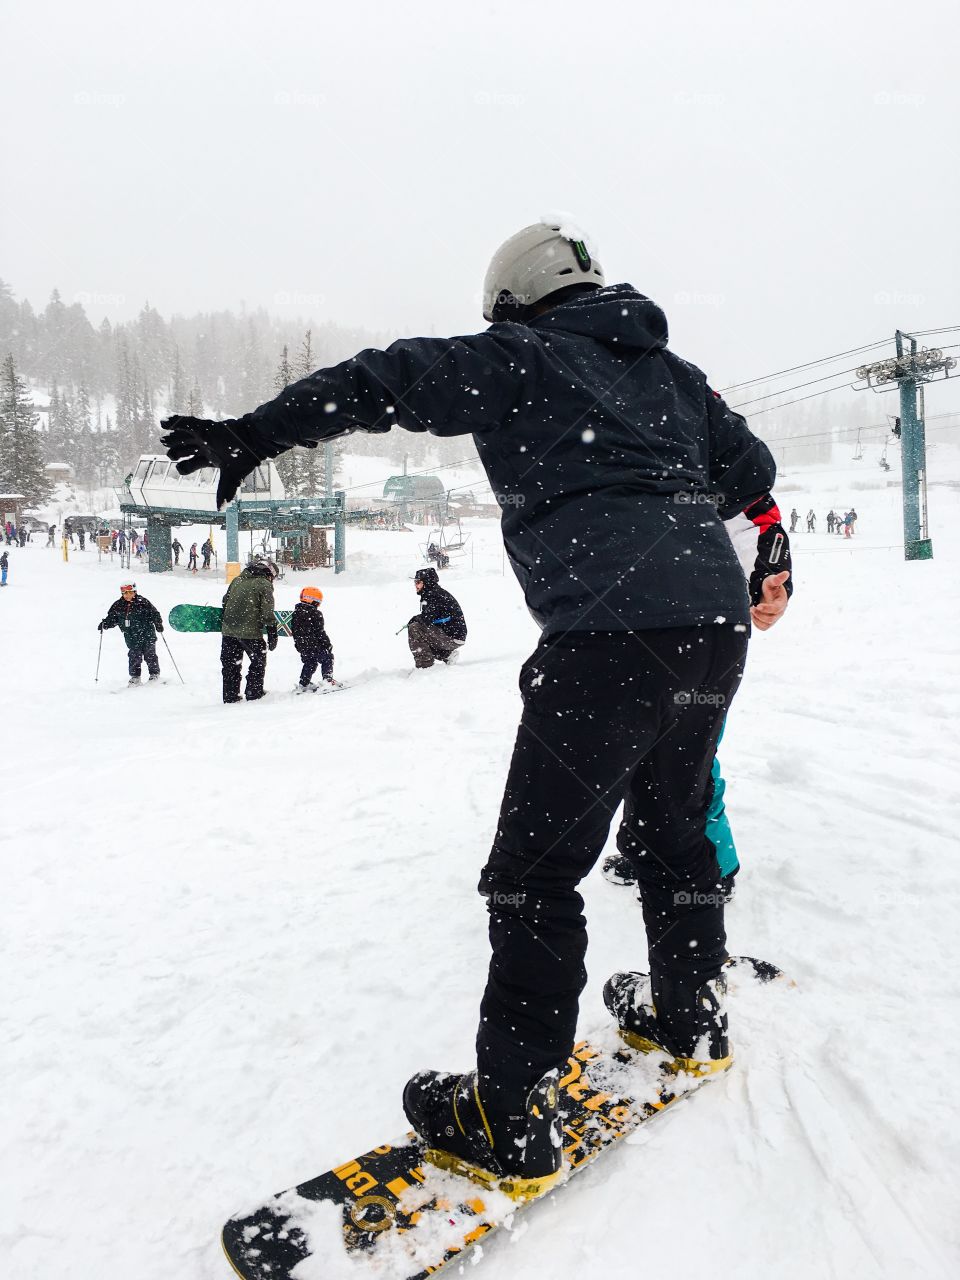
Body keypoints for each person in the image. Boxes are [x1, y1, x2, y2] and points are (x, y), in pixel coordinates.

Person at [160, 218, 780, 1197]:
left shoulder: (523, 356)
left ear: (511, 300)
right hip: (712, 620)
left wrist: (255, 432)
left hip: (607, 636)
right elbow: (754, 474)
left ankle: (512, 1110)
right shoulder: (676, 376)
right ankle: (691, 1010)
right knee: (673, 832)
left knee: (535, 874)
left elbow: (384, 380)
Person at [602, 490, 793, 896]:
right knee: (635, 750)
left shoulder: (699, 435)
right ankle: (649, 848)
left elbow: (751, 513)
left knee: (689, 757)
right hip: (618, 624)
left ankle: (712, 867)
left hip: (700, 625)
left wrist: (764, 579)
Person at [220, 558, 278, 703]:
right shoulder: (263, 584)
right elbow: (267, 611)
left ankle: (230, 695)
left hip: (229, 632)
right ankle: (253, 692)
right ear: (269, 573)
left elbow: (224, 602)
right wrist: (272, 631)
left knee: (230, 665)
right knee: (257, 662)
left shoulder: (237, 580)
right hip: (251, 633)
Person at [99, 581, 164, 684]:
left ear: (135, 592)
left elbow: (155, 614)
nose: (128, 595)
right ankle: (135, 677)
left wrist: (158, 623)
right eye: (125, 593)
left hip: (147, 634)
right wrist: (105, 624)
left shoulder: (143, 602)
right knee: (134, 656)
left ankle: (154, 674)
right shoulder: (118, 605)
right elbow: (113, 618)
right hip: (131, 637)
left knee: (150, 655)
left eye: (130, 592)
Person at [407, 567, 467, 668]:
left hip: (453, 637)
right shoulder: (432, 593)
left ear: (426, 582)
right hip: (454, 636)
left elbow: (426, 619)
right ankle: (447, 655)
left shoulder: (433, 595)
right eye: (415, 582)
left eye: (418, 582)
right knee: (420, 630)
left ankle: (424, 666)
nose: (415, 585)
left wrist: (414, 619)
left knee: (415, 628)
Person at [291, 586, 338, 691]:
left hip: (302, 645)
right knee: (327, 657)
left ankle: (304, 684)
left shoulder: (296, 613)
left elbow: (294, 631)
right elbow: (320, 632)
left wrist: (298, 644)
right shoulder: (315, 613)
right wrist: (327, 644)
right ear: (314, 600)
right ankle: (328, 680)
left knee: (310, 663)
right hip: (315, 645)